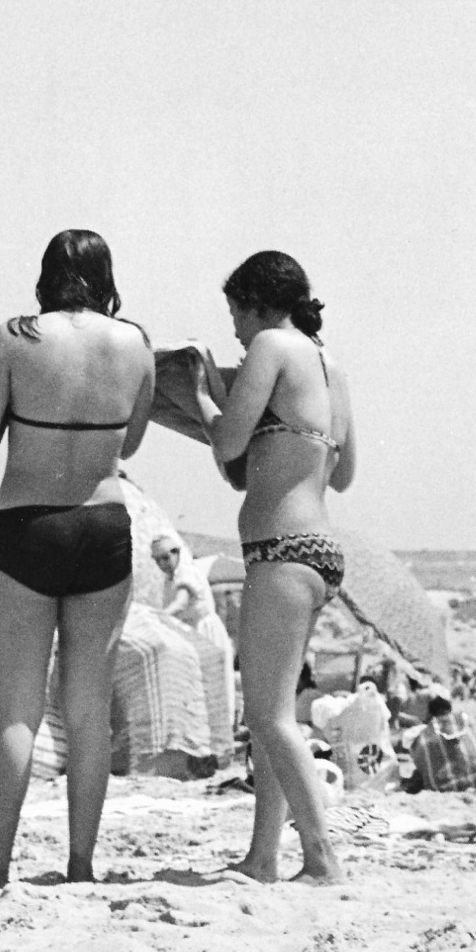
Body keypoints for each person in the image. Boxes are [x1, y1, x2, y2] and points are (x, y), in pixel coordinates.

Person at [0, 229, 154, 888]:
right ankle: (80, 864)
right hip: (104, 521)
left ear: (44, 274)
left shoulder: (16, 337)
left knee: (17, 709)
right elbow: (130, 439)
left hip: (29, 522)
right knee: (88, 707)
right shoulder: (135, 344)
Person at [192, 250, 355, 885]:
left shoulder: (270, 347)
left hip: (281, 550)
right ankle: (263, 856)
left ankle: (322, 858)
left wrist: (205, 395)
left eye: (236, 311)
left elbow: (226, 444)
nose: (235, 328)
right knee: (273, 712)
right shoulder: (326, 363)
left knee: (267, 716)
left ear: (258, 305)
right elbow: (342, 472)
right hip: (317, 547)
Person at [151, 530, 236, 720]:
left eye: (166, 557)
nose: (163, 564)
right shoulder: (169, 578)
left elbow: (181, 602)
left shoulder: (186, 572)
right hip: (189, 633)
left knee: (208, 682)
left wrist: (158, 617)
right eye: (158, 560)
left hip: (203, 631)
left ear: (177, 553)